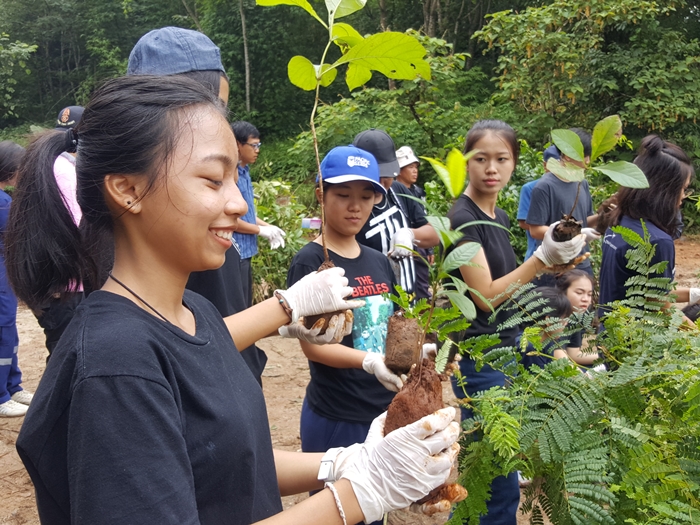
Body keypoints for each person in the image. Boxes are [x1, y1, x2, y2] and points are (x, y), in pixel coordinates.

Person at [7, 75, 459, 525]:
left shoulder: (196, 314)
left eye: (234, 180)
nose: (239, 204)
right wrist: (359, 494)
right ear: (127, 189)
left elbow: (232, 461)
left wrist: (348, 463)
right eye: (211, 180)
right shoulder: (115, 365)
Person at [127, 27, 309, 383]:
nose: (237, 204)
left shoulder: (201, 234)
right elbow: (182, 348)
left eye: (221, 110)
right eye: (211, 181)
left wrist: (280, 326)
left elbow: (214, 322)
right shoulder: (172, 239)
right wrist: (285, 307)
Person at [447, 120, 588, 525]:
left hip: (503, 355)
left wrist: (558, 263)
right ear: (466, 163)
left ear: (514, 164)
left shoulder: (497, 213)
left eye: (501, 159)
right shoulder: (464, 220)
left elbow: (509, 288)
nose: (491, 168)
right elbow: (485, 296)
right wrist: (541, 258)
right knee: (496, 483)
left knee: (491, 475)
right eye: (481, 159)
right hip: (482, 363)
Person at [285, 146, 415, 525]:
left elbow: (388, 326)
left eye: (365, 197)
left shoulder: (378, 260)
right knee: (336, 512)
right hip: (337, 413)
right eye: (342, 196)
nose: (355, 207)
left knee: (375, 511)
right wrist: (368, 361)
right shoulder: (311, 261)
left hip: (380, 411)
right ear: (321, 195)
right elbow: (313, 348)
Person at [599, 135, 700, 313]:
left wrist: (693, 293)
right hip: (637, 338)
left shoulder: (619, 220)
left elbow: (648, 293)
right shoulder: (656, 241)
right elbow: (660, 307)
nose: (684, 196)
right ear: (663, 191)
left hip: (612, 332)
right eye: (683, 189)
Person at [352, 129, 439, 298]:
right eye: (377, 177)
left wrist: (410, 234)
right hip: (373, 304)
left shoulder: (398, 191)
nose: (383, 183)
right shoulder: (352, 206)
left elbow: (434, 232)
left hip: (408, 299)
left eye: (388, 175)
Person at [30, 105, 85, 357]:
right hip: (67, 285)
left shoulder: (46, 166)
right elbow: (80, 227)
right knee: (67, 359)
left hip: (52, 282)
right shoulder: (66, 173)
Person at [526, 129, 600, 285]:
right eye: (585, 156)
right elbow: (535, 230)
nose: (588, 161)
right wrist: (576, 234)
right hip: (555, 267)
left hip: (582, 263)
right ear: (567, 155)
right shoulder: (544, 187)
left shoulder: (582, 182)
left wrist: (604, 217)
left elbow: (584, 220)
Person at [232, 120, 286, 307]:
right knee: (236, 305)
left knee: (246, 302)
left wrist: (267, 226)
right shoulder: (231, 176)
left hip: (247, 252)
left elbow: (247, 214)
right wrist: (259, 231)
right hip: (234, 252)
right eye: (253, 145)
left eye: (259, 145)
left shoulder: (245, 172)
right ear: (238, 145)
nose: (257, 150)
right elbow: (230, 220)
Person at [0, 141, 33, 417]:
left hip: (5, 275)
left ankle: (13, 386)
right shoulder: (3, 203)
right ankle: (1, 394)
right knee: (3, 328)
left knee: (9, 328)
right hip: (1, 278)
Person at [395, 145, 432, 300]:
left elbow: (424, 219)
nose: (415, 170)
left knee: (422, 283)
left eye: (415, 167)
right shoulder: (393, 192)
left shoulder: (418, 192)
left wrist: (429, 248)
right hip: (399, 244)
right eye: (410, 167)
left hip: (419, 241)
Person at [516, 145, 560, 261]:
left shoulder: (571, 188)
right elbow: (523, 222)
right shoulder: (531, 188)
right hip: (537, 253)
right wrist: (558, 231)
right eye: (553, 164)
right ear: (545, 165)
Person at [517, 287, 573, 370]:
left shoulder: (547, 341)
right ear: (548, 320)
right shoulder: (528, 347)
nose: (566, 323)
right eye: (564, 318)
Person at [555, 270, 599, 366]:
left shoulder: (576, 315)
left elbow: (573, 354)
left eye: (589, 294)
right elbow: (560, 359)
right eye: (579, 293)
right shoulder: (553, 317)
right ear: (562, 292)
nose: (586, 299)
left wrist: (607, 357)